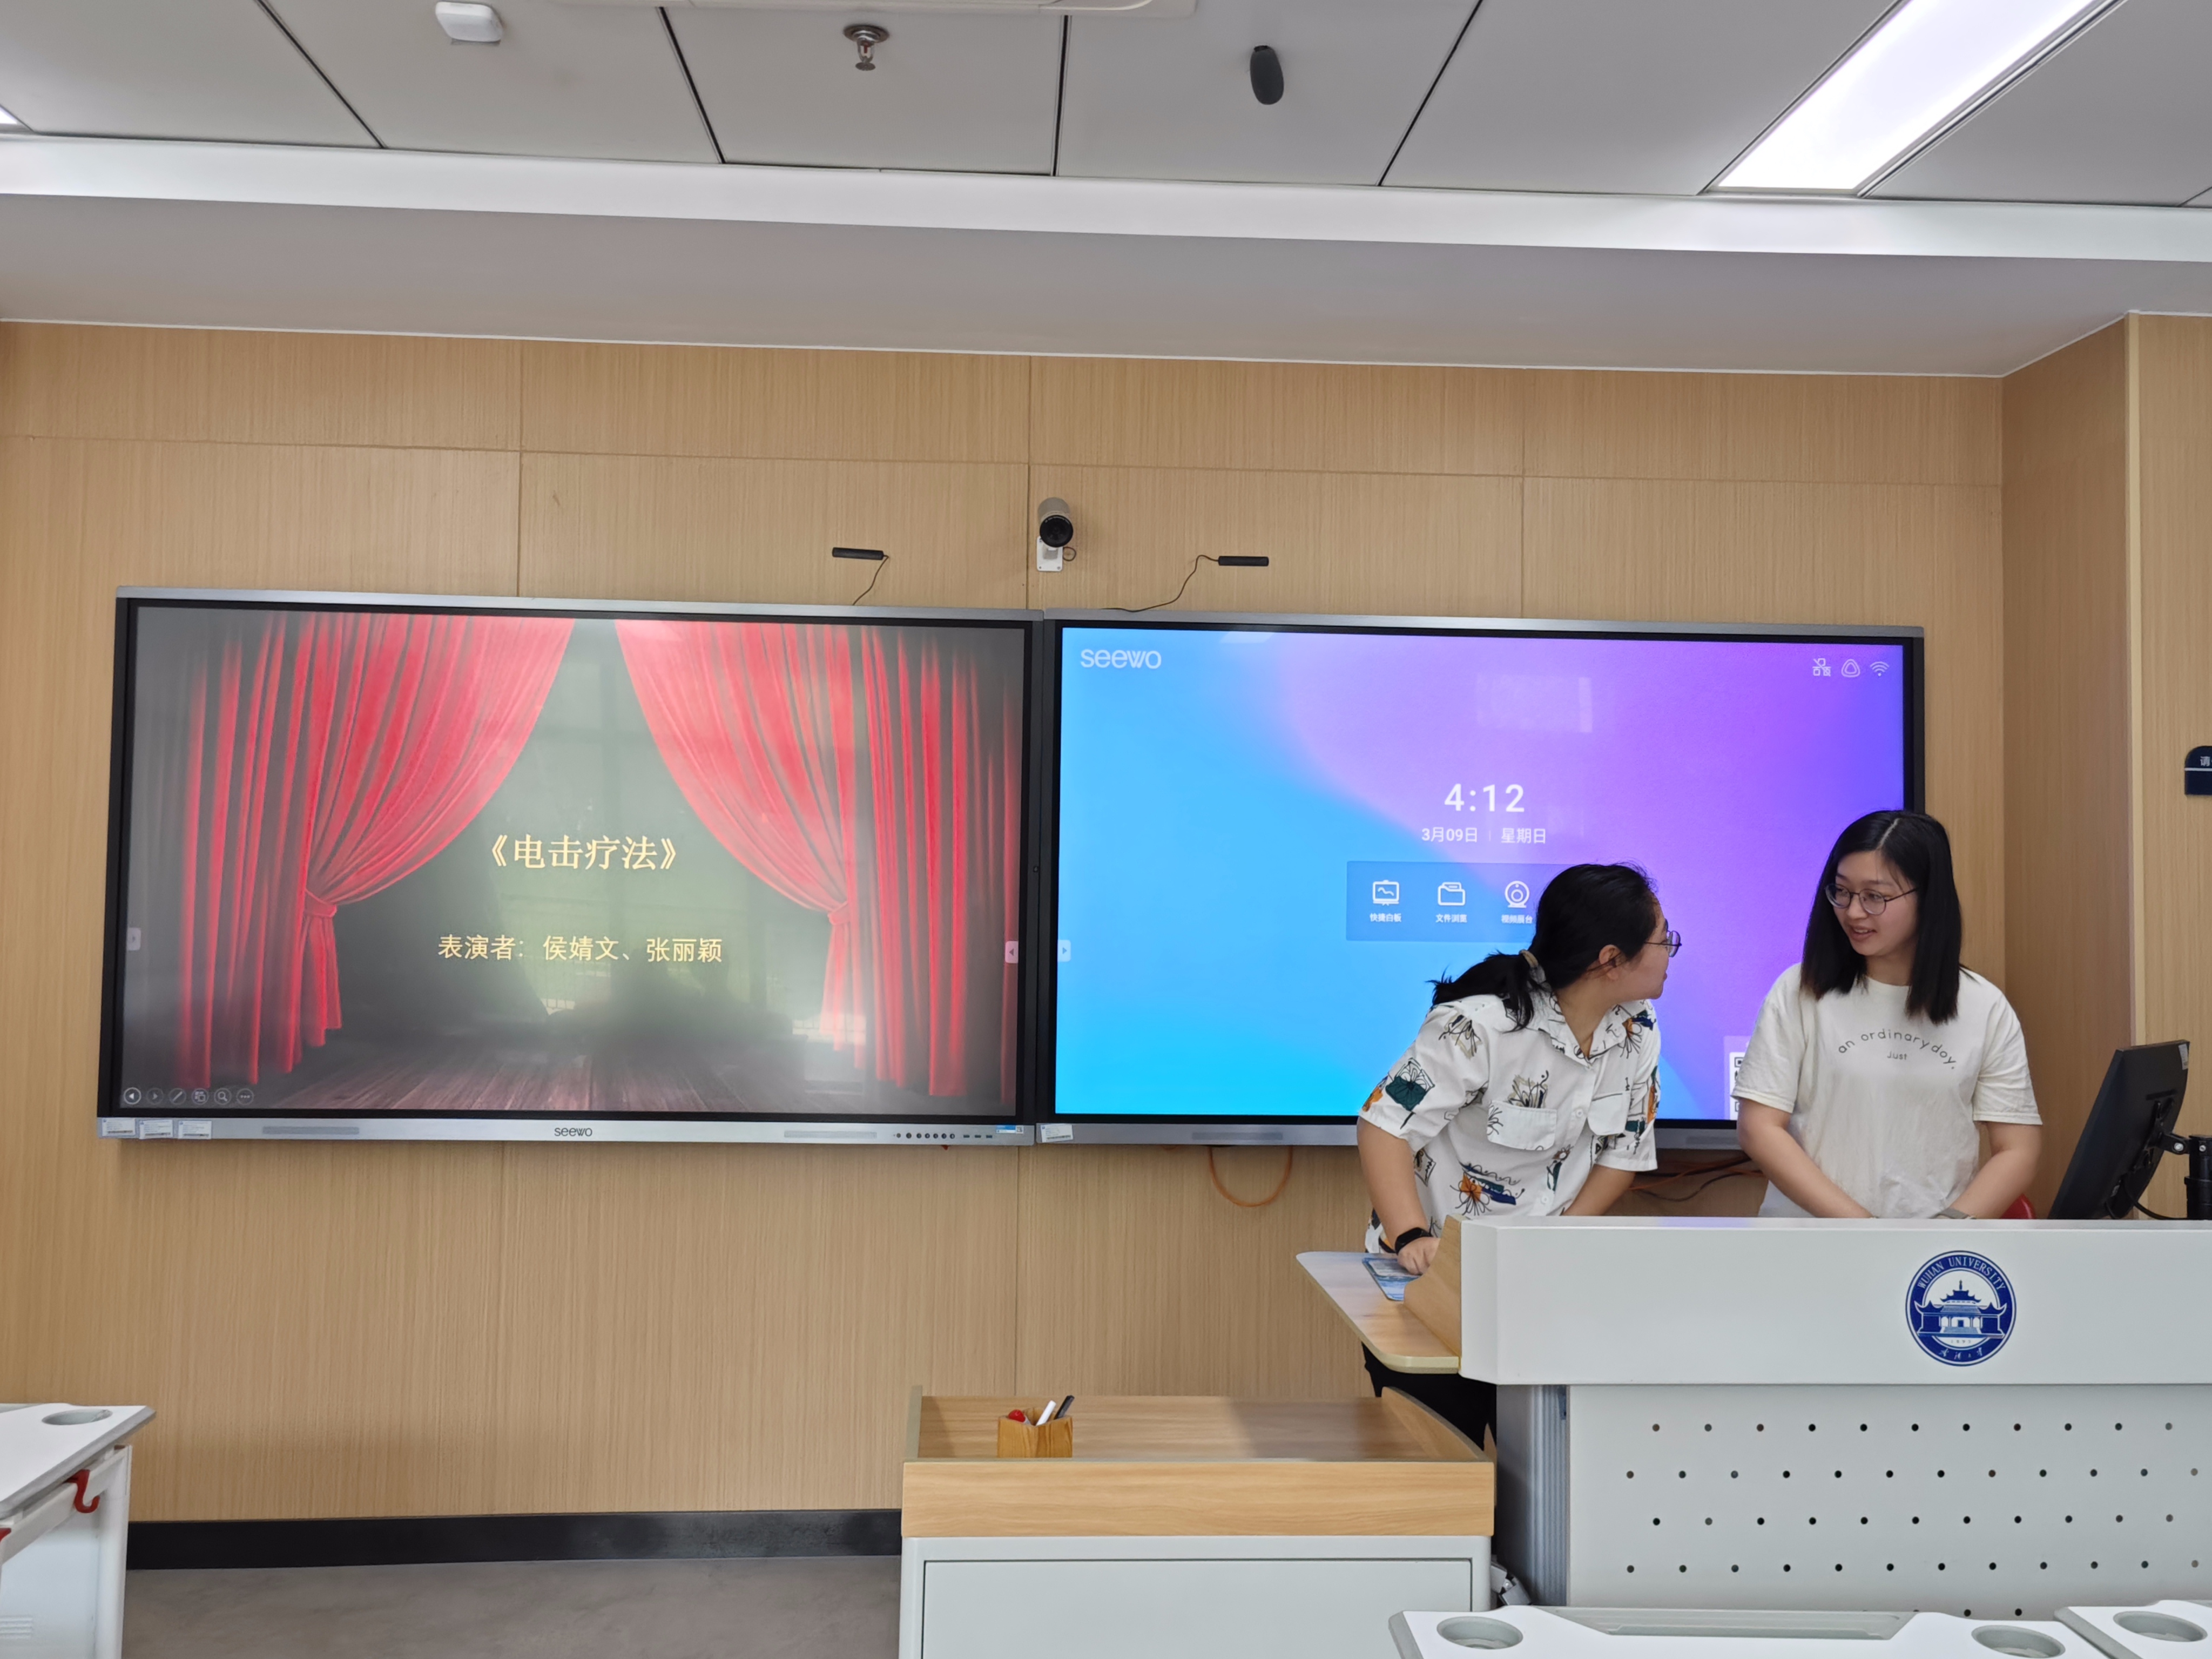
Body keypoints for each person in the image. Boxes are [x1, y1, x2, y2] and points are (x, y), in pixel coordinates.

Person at [1357, 862, 1674, 1443]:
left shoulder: (1638, 1028)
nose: (1671, 951)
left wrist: (1555, 1245)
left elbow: (1623, 1153)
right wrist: (1410, 1239)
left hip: (1538, 1297)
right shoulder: (1479, 1026)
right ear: (1611, 960)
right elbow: (1383, 1126)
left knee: (1546, 1480)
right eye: (1662, 940)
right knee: (1439, 1476)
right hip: (1434, 1291)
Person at [1735, 810, 2041, 1218]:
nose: (1853, 912)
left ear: (1928, 898)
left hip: (1929, 1253)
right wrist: (1863, 1229)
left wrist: (1945, 1231)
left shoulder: (1984, 1006)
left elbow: (2017, 1149)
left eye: (1875, 897)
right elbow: (1759, 1128)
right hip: (1807, 1241)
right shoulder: (1800, 991)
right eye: (1842, 892)